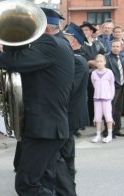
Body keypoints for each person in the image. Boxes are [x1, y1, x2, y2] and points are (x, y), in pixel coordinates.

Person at [0, 8, 75, 196]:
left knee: (26, 185)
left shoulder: (51, 44)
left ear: (44, 28)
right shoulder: (60, 45)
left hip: (44, 129)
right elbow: (30, 68)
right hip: (47, 128)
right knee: (47, 181)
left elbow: (21, 61)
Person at [55, 22, 89, 196]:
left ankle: (67, 192)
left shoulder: (77, 60)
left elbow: (66, 91)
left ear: (73, 41)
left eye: (64, 37)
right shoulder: (74, 59)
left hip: (69, 116)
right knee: (65, 157)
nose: (60, 40)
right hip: (68, 115)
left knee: (61, 157)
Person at [80, 21, 105, 126]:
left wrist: (97, 62)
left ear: (91, 32)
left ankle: (93, 119)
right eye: (83, 30)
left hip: (95, 75)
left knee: (94, 97)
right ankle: (82, 121)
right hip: (83, 74)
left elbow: (101, 56)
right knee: (82, 98)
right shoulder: (80, 43)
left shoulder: (96, 44)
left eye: (86, 30)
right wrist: (88, 62)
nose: (84, 32)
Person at [105, 39, 124, 137]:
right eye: (114, 46)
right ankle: (108, 131)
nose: (115, 48)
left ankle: (116, 130)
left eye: (117, 46)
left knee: (119, 109)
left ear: (121, 48)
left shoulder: (122, 58)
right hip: (112, 87)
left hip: (121, 87)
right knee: (110, 109)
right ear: (111, 47)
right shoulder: (107, 58)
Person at [91, 54, 115, 143]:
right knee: (97, 117)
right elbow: (94, 84)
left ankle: (109, 135)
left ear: (105, 62)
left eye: (101, 61)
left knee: (108, 116)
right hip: (97, 98)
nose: (99, 63)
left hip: (107, 98)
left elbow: (112, 85)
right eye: (97, 61)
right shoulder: (93, 73)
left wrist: (111, 96)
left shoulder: (109, 72)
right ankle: (98, 135)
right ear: (95, 63)